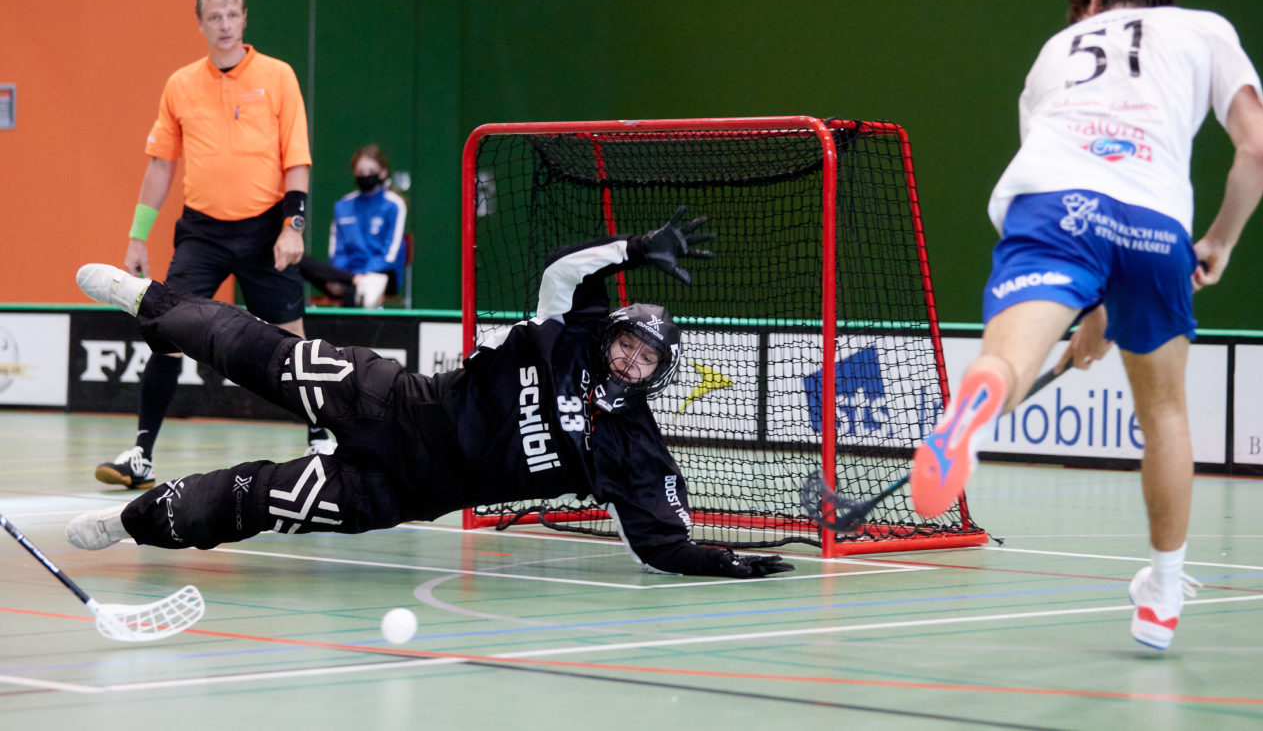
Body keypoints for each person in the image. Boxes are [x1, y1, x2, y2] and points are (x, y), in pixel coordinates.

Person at [66, 210, 796, 580]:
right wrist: (637, 247)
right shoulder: (564, 332)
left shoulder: (635, 448)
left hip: (394, 490)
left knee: (256, 500)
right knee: (263, 351)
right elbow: (565, 268)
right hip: (387, 397)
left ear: (654, 376)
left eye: (646, 360)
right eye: (628, 342)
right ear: (609, 334)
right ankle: (146, 300)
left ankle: (131, 521)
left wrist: (722, 563)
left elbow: (663, 543)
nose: (631, 358)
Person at [908, 0, 1263, 650]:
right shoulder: (1205, 30)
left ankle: (974, 409)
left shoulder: (1053, 55)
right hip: (1154, 222)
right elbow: (1259, 149)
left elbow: (1084, 192)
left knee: (1005, 361)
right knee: (1164, 409)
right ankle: (1163, 596)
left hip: (1052, 203)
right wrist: (1219, 244)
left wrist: (1091, 315)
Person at [96, 0, 331, 492]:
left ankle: (322, 439)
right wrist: (137, 237)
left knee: (294, 341)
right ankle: (141, 454)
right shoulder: (180, 85)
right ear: (200, 24)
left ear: (244, 18)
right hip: (201, 231)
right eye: (214, 17)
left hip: (266, 227)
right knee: (166, 328)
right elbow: (161, 166)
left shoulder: (279, 75)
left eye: (232, 15)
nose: (224, 25)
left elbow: (297, 160)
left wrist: (293, 227)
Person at [299, 144, 407, 309]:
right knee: (302, 264)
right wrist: (346, 276)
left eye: (371, 172)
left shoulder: (394, 205)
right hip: (347, 276)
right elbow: (337, 252)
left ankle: (357, 290)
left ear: (383, 173)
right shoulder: (343, 205)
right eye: (361, 173)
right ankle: (354, 287)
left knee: (365, 287)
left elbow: (390, 255)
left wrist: (363, 273)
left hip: (381, 273)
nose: (366, 176)